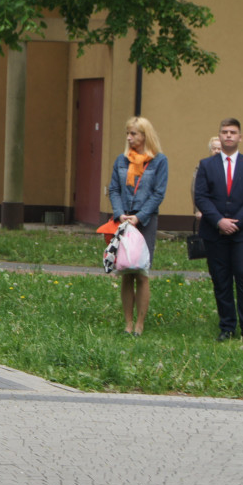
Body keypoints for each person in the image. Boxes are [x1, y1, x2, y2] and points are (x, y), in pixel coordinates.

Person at [195, 118, 243, 345]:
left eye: (233, 132)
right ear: (219, 136)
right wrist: (219, 221)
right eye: (224, 132)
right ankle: (226, 327)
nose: (228, 136)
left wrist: (236, 222)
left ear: (240, 137)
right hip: (215, 232)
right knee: (221, 280)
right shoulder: (207, 165)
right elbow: (201, 197)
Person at [108, 116, 169, 337]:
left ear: (145, 135)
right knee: (126, 271)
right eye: (128, 133)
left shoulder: (159, 161)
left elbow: (158, 193)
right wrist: (120, 214)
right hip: (124, 221)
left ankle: (140, 325)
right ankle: (128, 323)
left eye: (133, 133)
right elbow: (114, 189)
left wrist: (140, 217)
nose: (129, 137)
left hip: (145, 222)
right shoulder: (121, 160)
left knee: (141, 272)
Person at [192, 136, 222, 219]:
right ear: (210, 150)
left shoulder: (230, 166)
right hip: (208, 208)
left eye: (219, 149)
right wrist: (198, 209)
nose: (217, 151)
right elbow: (195, 188)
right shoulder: (203, 166)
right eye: (214, 148)